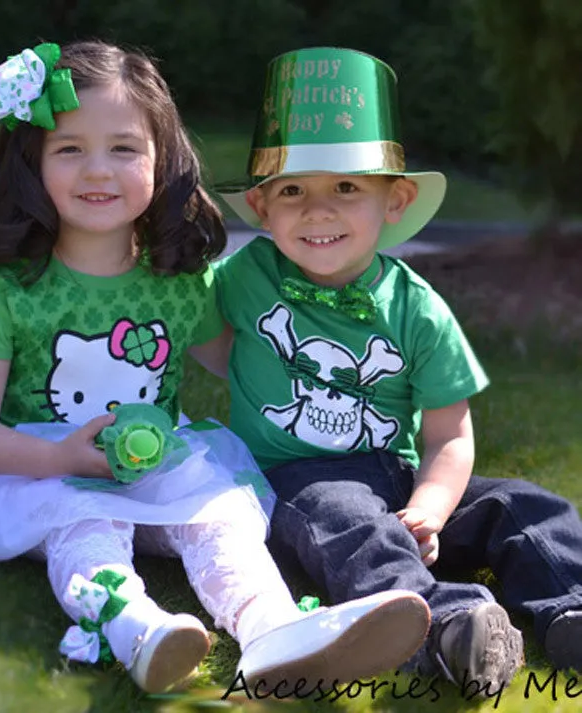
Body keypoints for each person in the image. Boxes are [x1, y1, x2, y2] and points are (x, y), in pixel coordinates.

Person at [0, 41, 432, 695]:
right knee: (83, 523)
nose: (98, 170)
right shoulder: (7, 286)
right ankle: (134, 625)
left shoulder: (178, 277)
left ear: (163, 159)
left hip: (157, 451)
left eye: (124, 148)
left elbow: (243, 362)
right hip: (37, 459)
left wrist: (343, 354)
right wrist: (64, 458)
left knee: (222, 517)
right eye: (70, 148)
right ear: (31, 161)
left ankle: (272, 629)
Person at [214, 46, 582, 692]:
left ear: (395, 199)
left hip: (400, 474)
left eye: (346, 187)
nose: (317, 210)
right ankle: (445, 627)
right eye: (292, 190)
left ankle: (568, 607)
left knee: (518, 503)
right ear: (261, 207)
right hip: (297, 482)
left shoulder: (416, 307)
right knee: (349, 518)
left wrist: (431, 508)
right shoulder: (246, 278)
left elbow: (448, 433)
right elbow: (178, 325)